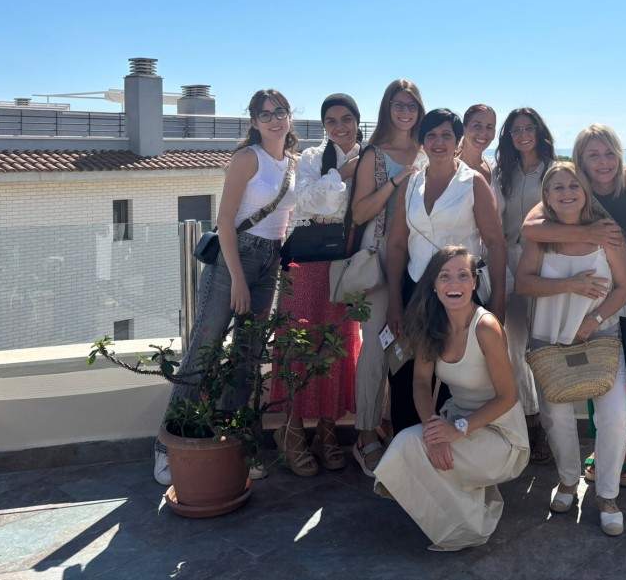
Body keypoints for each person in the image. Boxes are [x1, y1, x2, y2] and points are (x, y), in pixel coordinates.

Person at [153, 89, 298, 485]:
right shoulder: (248, 158)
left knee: (248, 356)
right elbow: (226, 222)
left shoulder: (293, 164)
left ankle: (238, 445)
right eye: (265, 114)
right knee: (204, 349)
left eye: (280, 112)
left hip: (270, 261)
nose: (274, 120)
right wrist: (236, 279)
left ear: (289, 116)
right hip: (236, 258)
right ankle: (166, 448)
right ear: (254, 122)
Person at [373, 247, 529, 552]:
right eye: (444, 276)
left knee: (413, 451)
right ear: (433, 284)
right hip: (453, 423)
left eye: (462, 275)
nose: (453, 283)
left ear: (474, 283)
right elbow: (421, 383)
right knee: (409, 443)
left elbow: (507, 397)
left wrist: (455, 430)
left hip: (502, 435)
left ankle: (469, 526)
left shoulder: (486, 327)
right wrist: (434, 432)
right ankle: (466, 509)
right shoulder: (431, 323)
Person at [522, 124, 626, 488]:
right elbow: (531, 229)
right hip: (574, 310)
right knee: (584, 382)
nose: (603, 161)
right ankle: (586, 464)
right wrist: (589, 233)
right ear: (580, 161)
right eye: (593, 155)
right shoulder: (571, 187)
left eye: (609, 153)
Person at [514, 163, 626, 537]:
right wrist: (570, 285)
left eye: (573, 185)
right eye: (558, 188)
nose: (567, 192)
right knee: (556, 417)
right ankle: (568, 482)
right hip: (549, 338)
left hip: (600, 337)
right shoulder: (540, 237)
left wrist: (593, 320)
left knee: (615, 417)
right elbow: (523, 284)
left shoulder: (608, 233)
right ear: (547, 198)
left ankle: (608, 496)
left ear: (585, 191)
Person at [386, 108, 507, 434]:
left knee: (455, 378)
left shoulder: (473, 183)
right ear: (422, 141)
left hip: (460, 294)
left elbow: (495, 243)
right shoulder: (411, 183)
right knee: (405, 376)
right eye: (431, 135)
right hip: (415, 291)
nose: (438, 142)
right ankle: (409, 446)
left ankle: (452, 449)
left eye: (446, 135)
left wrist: (498, 301)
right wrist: (395, 300)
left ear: (457, 141)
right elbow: (396, 244)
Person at [271, 93, 363, 476]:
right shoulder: (311, 157)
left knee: (338, 341)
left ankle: (327, 429)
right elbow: (307, 202)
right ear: (324, 126)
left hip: (345, 261)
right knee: (299, 340)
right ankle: (291, 430)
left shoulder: (370, 158)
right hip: (307, 261)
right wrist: (342, 174)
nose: (339, 127)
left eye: (346, 119)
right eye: (331, 121)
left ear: (358, 120)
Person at [349, 79, 425, 475]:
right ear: (387, 108)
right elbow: (360, 213)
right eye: (399, 104)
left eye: (412, 105)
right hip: (379, 259)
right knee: (378, 344)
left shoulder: (428, 149)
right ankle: (365, 435)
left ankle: (400, 426)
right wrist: (394, 182)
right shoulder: (374, 155)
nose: (405, 111)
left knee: (413, 348)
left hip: (420, 259)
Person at [493, 107, 554, 461]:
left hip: (543, 265)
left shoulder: (553, 171)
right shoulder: (503, 172)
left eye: (528, 127)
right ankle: (530, 421)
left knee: (543, 348)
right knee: (513, 349)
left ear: (539, 131)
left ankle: (549, 424)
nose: (522, 134)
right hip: (506, 266)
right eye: (516, 130)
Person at [457, 104, 496, 186]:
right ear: (463, 128)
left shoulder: (495, 169)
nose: (483, 133)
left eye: (489, 127)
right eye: (477, 126)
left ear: (494, 133)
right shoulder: (449, 171)